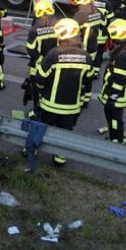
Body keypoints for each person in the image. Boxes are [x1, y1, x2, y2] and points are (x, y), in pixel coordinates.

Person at [35, 18, 93, 166]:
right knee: (65, 133)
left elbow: (40, 78)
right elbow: (88, 80)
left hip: (50, 104)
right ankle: (60, 159)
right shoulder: (86, 56)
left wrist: (42, 91)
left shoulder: (54, 54)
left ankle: (32, 150)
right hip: (72, 107)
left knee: (41, 128)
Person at [98, 19, 126, 144]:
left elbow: (120, 78)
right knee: (113, 116)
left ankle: (116, 141)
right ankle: (118, 136)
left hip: (117, 94)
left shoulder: (123, 55)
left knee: (114, 118)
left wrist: (113, 96)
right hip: (122, 93)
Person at [24, 0, 58, 117]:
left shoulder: (35, 29)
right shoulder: (58, 25)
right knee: (49, 88)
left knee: (37, 89)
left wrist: (40, 60)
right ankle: (46, 110)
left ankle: (37, 112)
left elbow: (30, 48)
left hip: (37, 65)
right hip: (53, 65)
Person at [73, 0, 104, 102]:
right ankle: (86, 99)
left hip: (82, 49)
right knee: (88, 74)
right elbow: (102, 25)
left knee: (79, 76)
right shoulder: (97, 12)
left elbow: (73, 32)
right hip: (93, 48)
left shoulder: (80, 15)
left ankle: (79, 99)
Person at [92, 0, 115, 77]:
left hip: (91, 34)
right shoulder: (107, 4)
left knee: (90, 53)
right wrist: (110, 36)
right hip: (102, 35)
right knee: (98, 54)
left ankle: (87, 72)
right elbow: (110, 21)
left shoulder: (91, 1)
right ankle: (96, 72)